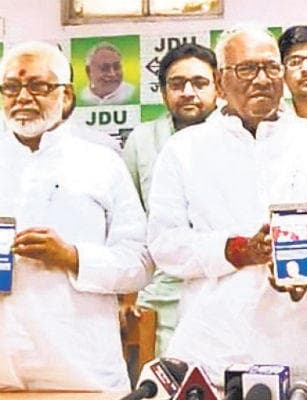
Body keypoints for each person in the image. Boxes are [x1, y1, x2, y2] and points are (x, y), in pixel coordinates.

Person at [146, 27, 307, 390]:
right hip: (219, 350)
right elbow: (165, 243)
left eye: (271, 68)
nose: (262, 80)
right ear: (220, 80)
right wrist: (236, 250)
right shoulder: (183, 150)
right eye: (247, 69)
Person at [0, 41, 151, 391]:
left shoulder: (101, 161)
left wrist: (73, 257)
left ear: (66, 95)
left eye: (37, 86)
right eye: (11, 87)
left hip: (82, 371)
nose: (22, 97)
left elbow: (140, 263)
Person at [122, 43, 219, 356]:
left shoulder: (238, 138)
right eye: (177, 84)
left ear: (219, 86)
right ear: (163, 93)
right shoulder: (142, 140)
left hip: (226, 288)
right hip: (162, 298)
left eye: (200, 83)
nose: (188, 92)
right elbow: (129, 226)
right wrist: (126, 296)